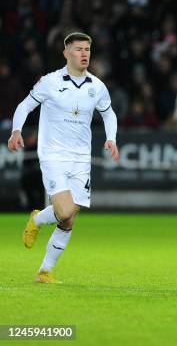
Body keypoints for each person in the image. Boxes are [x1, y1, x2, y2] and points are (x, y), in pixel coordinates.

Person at [7, 32, 119, 283]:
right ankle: (37, 218)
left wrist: (111, 138)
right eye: (78, 49)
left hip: (81, 159)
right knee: (64, 210)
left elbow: (109, 114)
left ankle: (45, 271)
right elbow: (25, 106)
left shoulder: (97, 86)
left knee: (69, 218)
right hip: (53, 155)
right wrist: (16, 130)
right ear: (66, 53)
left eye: (87, 49)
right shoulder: (50, 81)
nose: (84, 54)